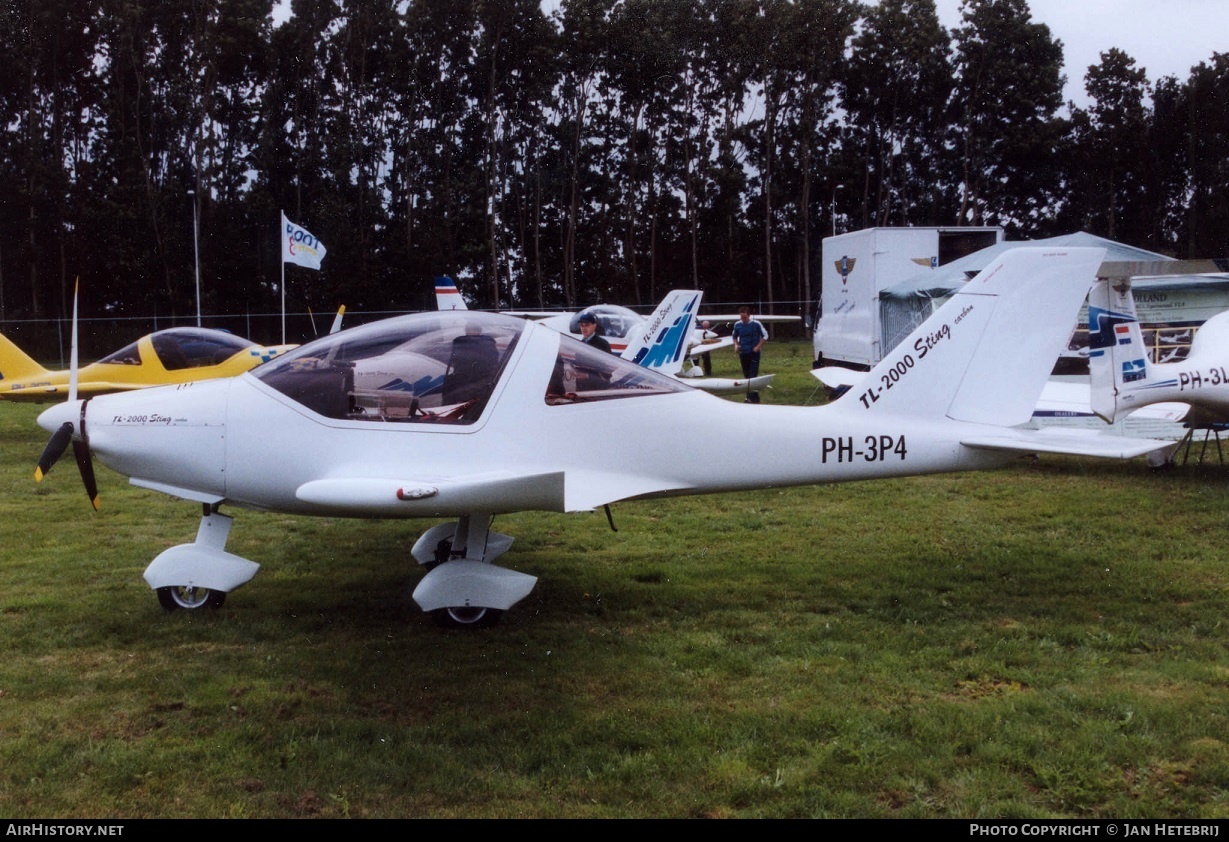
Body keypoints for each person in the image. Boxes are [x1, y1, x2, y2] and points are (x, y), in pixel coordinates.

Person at [731, 305, 768, 403]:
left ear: (749, 315)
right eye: (741, 318)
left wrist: (758, 347)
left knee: (753, 375)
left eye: (745, 318)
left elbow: (765, 336)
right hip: (743, 352)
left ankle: (749, 398)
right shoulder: (737, 325)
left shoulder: (756, 324)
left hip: (754, 353)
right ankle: (755, 397)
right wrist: (736, 345)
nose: (743, 320)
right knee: (746, 376)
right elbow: (734, 337)